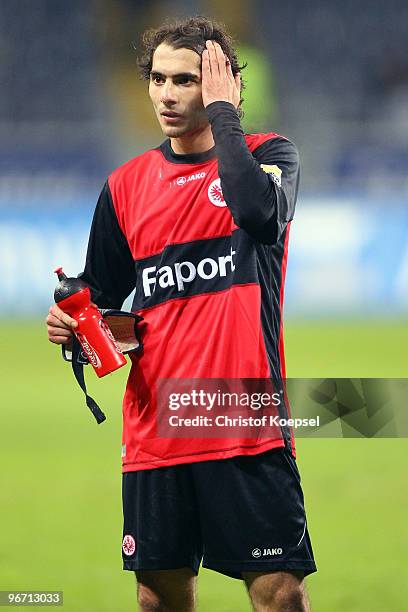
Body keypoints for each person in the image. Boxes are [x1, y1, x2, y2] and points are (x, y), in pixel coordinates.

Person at [46, 16, 316, 612]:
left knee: (281, 596)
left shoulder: (269, 156)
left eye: (186, 80)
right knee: (157, 600)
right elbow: (107, 298)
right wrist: (72, 319)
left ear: (223, 86)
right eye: (158, 78)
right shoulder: (124, 187)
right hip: (157, 429)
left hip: (246, 423)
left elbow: (258, 215)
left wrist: (226, 117)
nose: (167, 94)